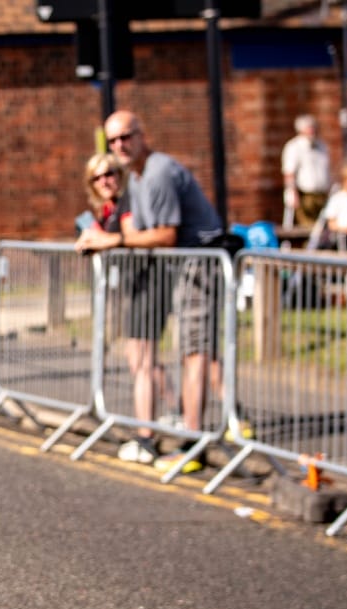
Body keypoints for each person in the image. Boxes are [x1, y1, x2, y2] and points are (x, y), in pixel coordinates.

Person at [104, 110, 225, 473]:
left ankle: (194, 443)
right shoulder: (137, 177)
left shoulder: (157, 172)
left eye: (126, 136)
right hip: (181, 269)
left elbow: (166, 236)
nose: (120, 146)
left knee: (195, 353)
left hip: (199, 266)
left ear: (143, 135)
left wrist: (114, 240)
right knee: (190, 351)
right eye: (113, 140)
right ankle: (190, 434)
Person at [74, 152, 171, 464]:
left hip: (148, 282)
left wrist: (103, 240)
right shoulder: (109, 207)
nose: (105, 180)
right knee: (142, 360)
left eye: (110, 173)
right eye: (97, 177)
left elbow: (129, 237)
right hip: (132, 286)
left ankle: (147, 438)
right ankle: (175, 412)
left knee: (141, 361)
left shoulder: (128, 201)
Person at [281, 114, 331, 228]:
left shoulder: (322, 146)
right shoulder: (294, 147)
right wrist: (290, 192)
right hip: (305, 196)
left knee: (324, 229)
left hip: (322, 194)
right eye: (309, 127)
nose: (312, 130)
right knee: (309, 228)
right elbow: (289, 172)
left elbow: (326, 170)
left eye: (313, 127)